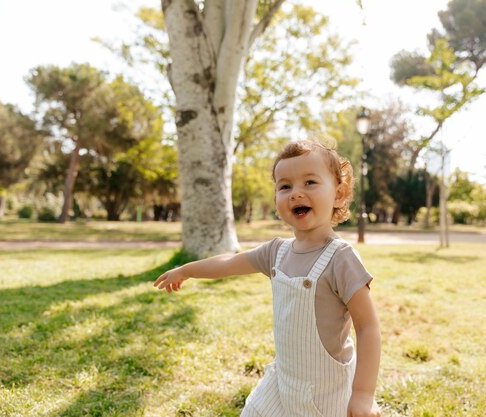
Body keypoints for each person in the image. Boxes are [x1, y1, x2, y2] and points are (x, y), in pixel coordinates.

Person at [154, 139, 381, 417]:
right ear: (276, 200)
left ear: (339, 193)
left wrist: (363, 395)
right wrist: (187, 270)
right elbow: (229, 262)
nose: (296, 193)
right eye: (285, 186)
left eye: (310, 182)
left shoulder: (340, 258)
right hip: (283, 380)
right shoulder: (276, 252)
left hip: (326, 392)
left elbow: (368, 327)